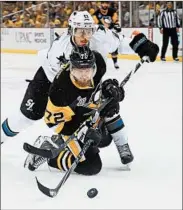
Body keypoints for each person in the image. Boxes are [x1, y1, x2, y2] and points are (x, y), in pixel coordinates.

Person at [2, 10, 159, 167]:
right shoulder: (60, 51)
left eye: (88, 31)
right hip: (49, 81)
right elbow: (63, 90)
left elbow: (120, 42)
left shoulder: (100, 35)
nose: (84, 36)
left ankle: (116, 144)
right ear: (71, 30)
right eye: (79, 31)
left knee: (106, 103)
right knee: (26, 117)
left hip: (83, 81)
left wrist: (142, 46)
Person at [25, 46, 127, 174]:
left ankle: (123, 147)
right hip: (66, 123)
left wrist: (110, 89)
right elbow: (59, 125)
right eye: (79, 71)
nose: (84, 76)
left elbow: (96, 92)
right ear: (71, 69)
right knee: (91, 167)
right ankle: (50, 154)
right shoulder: (60, 91)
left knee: (104, 138)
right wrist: (83, 132)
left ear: (94, 68)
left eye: (87, 70)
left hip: (83, 111)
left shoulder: (99, 64)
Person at [92, 1, 121, 69]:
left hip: (110, 31)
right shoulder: (96, 14)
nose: (105, 5)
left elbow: (115, 21)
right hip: (100, 33)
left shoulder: (112, 11)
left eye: (106, 3)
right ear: (101, 5)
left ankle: (115, 62)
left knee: (114, 45)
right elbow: (94, 24)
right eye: (103, 3)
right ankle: (97, 62)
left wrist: (117, 26)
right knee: (98, 48)